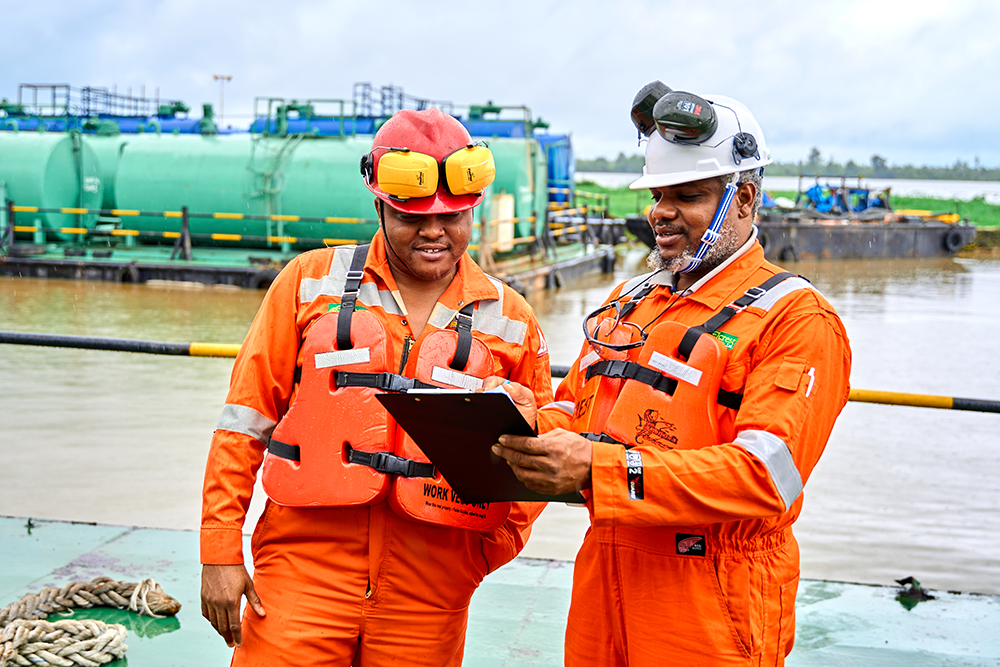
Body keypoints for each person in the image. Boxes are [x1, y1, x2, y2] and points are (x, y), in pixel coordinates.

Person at [492, 83, 852, 666]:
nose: (660, 212)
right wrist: (520, 424)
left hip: (712, 600)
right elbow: (574, 408)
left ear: (744, 198)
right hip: (603, 582)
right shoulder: (629, 303)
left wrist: (600, 469)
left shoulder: (796, 319)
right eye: (658, 194)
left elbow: (764, 477)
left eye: (687, 195)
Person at [200, 107, 554, 666]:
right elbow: (244, 420)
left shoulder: (511, 320)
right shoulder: (307, 284)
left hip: (432, 585)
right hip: (300, 570)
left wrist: (480, 554)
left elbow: (540, 458)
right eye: (412, 216)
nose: (434, 231)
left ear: (473, 210)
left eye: (452, 216)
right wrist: (219, 548)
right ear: (379, 206)